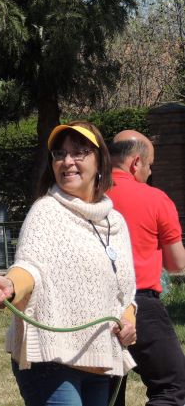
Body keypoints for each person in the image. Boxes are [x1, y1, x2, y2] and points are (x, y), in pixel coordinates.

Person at [0, 121, 137, 406]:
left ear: (100, 161)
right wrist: (11, 286)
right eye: (60, 154)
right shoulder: (46, 211)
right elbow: (30, 266)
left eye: (79, 152)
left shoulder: (115, 222)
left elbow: (126, 292)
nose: (67, 161)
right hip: (49, 359)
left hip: (98, 358)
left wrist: (129, 322)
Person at [108, 130, 185, 406]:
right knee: (173, 387)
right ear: (136, 162)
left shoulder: (87, 195)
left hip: (94, 305)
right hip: (141, 304)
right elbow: (177, 264)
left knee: (106, 395)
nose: (150, 172)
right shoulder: (155, 198)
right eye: (150, 165)